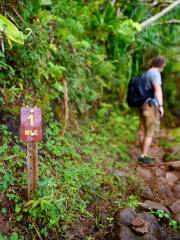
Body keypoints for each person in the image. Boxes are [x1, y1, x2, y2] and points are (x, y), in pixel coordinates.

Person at [138, 56, 166, 164]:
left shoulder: (146, 73)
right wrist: (160, 106)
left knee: (142, 129)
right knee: (149, 130)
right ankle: (144, 155)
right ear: (161, 65)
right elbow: (158, 90)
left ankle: (142, 154)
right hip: (150, 105)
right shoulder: (155, 73)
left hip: (142, 104)